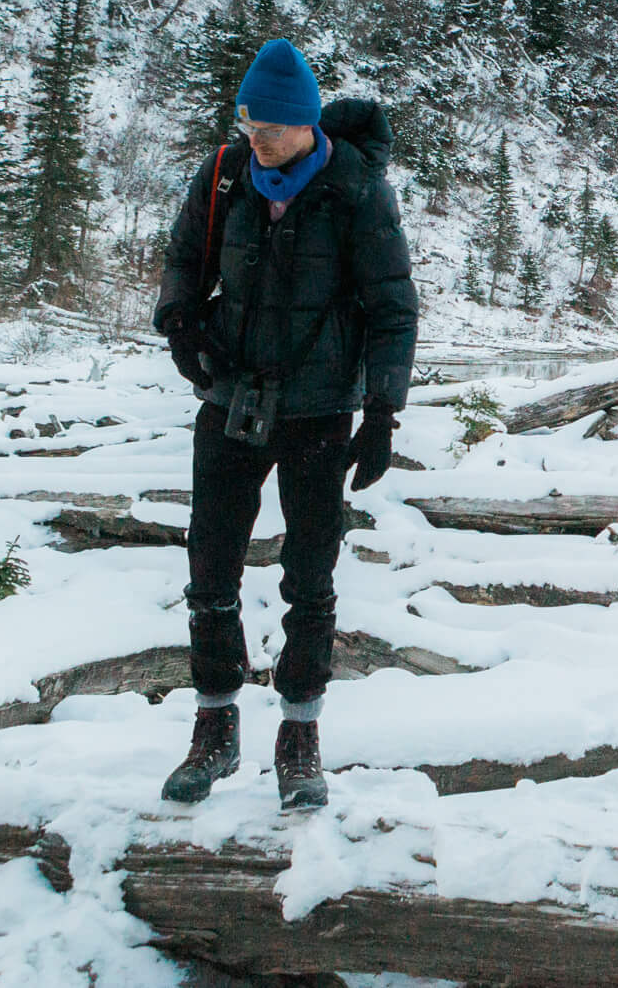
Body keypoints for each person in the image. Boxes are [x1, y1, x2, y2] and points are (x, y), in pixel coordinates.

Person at [149, 39, 418, 810]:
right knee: (211, 563)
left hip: (320, 410)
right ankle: (214, 724)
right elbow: (181, 258)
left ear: (304, 125)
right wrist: (179, 320)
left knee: (311, 576)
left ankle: (299, 734)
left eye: (267, 124)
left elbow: (394, 307)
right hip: (231, 398)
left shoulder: (356, 190)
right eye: (246, 119)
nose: (254, 135)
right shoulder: (225, 175)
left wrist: (382, 412)